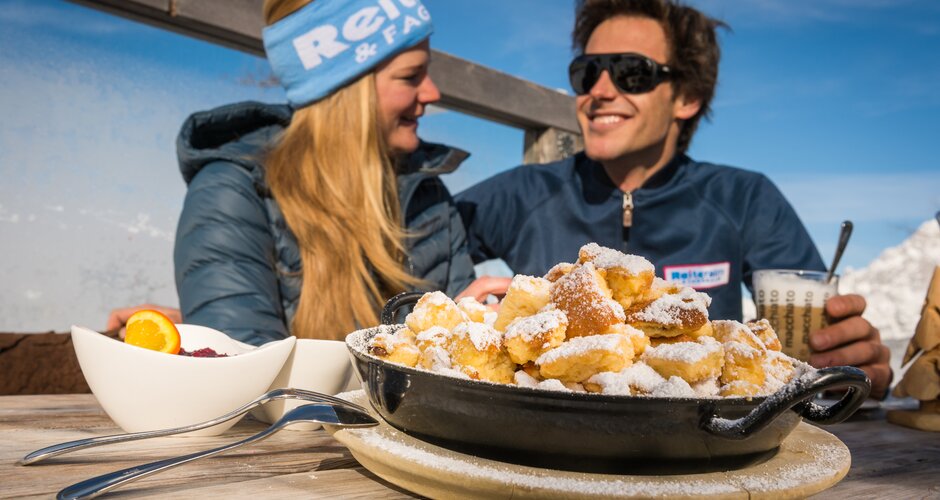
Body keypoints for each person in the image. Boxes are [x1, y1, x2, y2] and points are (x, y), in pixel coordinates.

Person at [455, 0, 892, 398]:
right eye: (587, 73)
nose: (600, 91)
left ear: (687, 97)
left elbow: (808, 343)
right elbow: (406, 256)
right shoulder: (524, 193)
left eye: (632, 72)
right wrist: (462, 309)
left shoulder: (743, 199)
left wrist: (846, 359)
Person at [110, 0, 511, 346]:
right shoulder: (232, 193)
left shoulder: (430, 198)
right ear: (343, 91)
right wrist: (428, 344)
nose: (433, 93)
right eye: (410, 76)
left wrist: (473, 333)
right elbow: (251, 388)